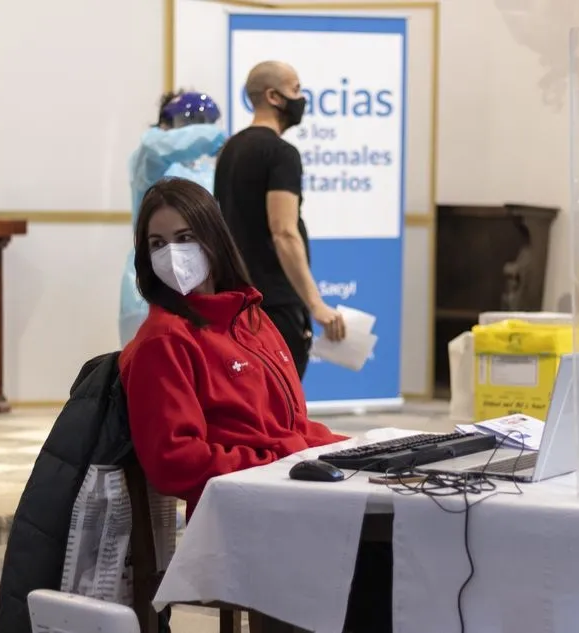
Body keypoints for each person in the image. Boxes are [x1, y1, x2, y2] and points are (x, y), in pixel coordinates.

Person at [119, 178, 391, 632]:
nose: (173, 253)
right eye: (157, 243)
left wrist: (354, 448)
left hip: (289, 495)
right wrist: (279, 459)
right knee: (363, 557)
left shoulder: (252, 318)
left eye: (185, 238)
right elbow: (174, 461)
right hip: (241, 516)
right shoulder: (164, 341)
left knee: (399, 542)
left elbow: (291, 427)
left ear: (213, 238)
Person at [214, 61, 345, 379]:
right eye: (296, 89)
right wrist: (316, 305)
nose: (301, 98)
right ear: (273, 96)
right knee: (281, 406)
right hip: (275, 306)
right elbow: (283, 231)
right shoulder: (281, 154)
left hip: (235, 304)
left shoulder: (229, 150)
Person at [119, 90, 227, 347]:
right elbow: (155, 147)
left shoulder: (209, 174)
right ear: (164, 125)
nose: (197, 129)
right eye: (187, 121)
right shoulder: (149, 162)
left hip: (203, 282)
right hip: (152, 281)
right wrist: (217, 136)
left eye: (205, 121)